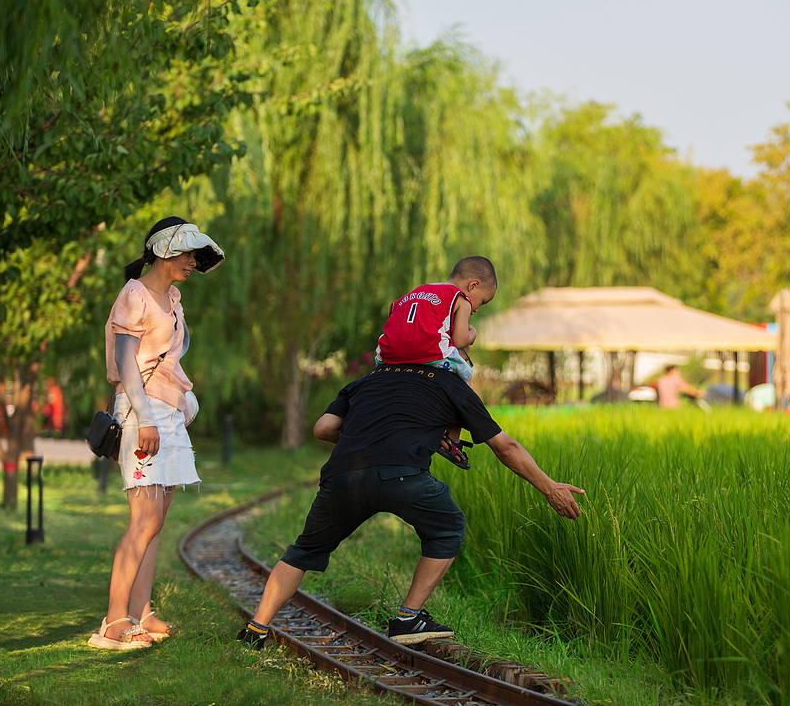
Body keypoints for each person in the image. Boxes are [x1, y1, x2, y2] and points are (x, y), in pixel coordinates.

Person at [236, 360, 583, 648]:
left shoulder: (368, 379)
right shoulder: (450, 382)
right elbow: (505, 446)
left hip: (344, 477)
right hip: (403, 476)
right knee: (448, 527)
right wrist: (549, 488)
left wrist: (373, 436)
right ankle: (407, 618)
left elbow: (323, 428)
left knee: (303, 551)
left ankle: (256, 630)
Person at [87, 216, 224, 650]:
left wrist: (183, 402)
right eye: (188, 254)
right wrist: (146, 418)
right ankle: (113, 622)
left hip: (168, 413)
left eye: (196, 256)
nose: (193, 262)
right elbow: (126, 363)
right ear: (166, 251)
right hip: (141, 412)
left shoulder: (173, 299)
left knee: (156, 521)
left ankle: (141, 611)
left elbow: (170, 361)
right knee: (143, 520)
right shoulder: (134, 295)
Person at [375, 256, 497, 468]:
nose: (477, 308)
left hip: (387, 354)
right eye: (483, 301)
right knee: (465, 376)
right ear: (473, 285)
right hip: (426, 351)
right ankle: (452, 439)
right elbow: (460, 340)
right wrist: (472, 334)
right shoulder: (461, 298)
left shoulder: (416, 292)